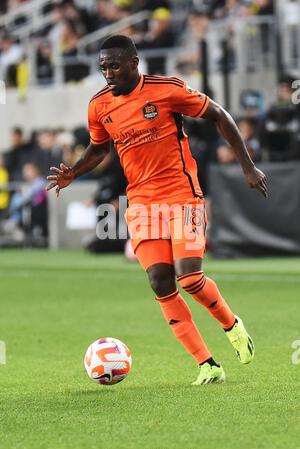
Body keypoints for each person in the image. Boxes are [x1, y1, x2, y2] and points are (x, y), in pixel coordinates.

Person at [47, 35, 267, 385]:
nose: (108, 73)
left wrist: (247, 166)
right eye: (103, 67)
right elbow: (97, 149)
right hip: (142, 203)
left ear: (134, 63)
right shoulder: (99, 105)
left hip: (182, 194)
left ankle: (232, 325)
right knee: (159, 281)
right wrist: (74, 171)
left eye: (114, 65)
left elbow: (220, 116)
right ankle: (207, 364)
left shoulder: (167, 90)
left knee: (190, 278)